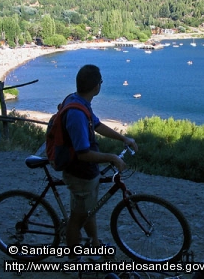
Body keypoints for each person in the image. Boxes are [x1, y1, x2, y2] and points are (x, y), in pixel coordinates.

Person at [62, 64, 138, 261]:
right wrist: (112, 157)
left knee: (89, 209)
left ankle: (95, 244)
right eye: (101, 82)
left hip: (87, 172)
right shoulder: (77, 114)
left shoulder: (78, 100)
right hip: (79, 173)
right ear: (97, 86)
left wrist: (123, 139)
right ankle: (73, 257)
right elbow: (83, 154)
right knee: (77, 218)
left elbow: (97, 125)